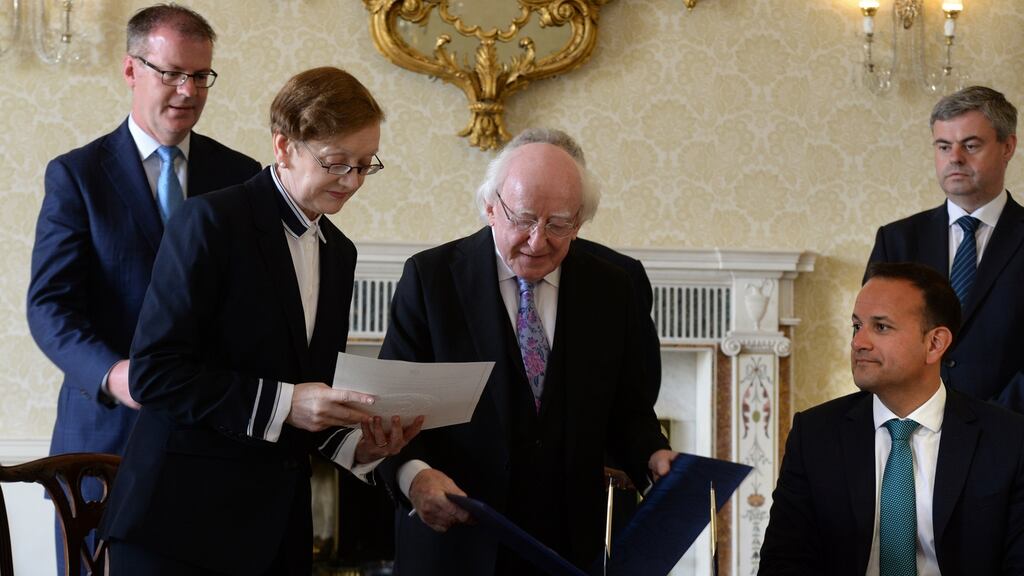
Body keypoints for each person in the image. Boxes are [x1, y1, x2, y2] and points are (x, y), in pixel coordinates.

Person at [98, 66, 422, 574]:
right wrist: (291, 402)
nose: (353, 182)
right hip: (177, 524)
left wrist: (361, 445)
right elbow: (155, 374)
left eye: (365, 165)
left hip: (276, 529)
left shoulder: (340, 252)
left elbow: (311, 390)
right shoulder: (210, 221)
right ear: (284, 146)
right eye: (337, 163)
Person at [377, 128, 676, 575]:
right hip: (456, 547)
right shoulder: (430, 278)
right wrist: (414, 476)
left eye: (559, 225)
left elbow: (630, 409)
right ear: (490, 206)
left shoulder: (616, 285)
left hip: (572, 551)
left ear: (580, 221)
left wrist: (653, 455)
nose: (539, 242)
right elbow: (390, 410)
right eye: (523, 219)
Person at [25, 4, 260, 572]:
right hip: (105, 442)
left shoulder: (242, 177)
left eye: (200, 76)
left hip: (212, 446)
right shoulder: (76, 176)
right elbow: (50, 306)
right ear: (132, 70)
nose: (187, 90)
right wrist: (113, 374)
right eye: (171, 73)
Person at [759, 262, 1024, 575]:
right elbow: (783, 562)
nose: (859, 342)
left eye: (881, 327)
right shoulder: (815, 435)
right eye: (857, 326)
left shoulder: (1009, 439)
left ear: (935, 343)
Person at [866, 85, 1024, 412]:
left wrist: (996, 420)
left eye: (970, 145)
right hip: (911, 428)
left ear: (1007, 146)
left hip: (1012, 432)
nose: (955, 158)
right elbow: (873, 337)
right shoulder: (897, 240)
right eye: (943, 146)